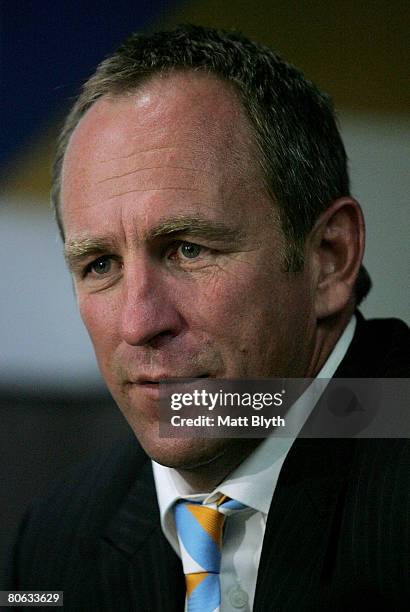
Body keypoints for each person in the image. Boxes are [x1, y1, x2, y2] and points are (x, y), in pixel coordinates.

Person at [4, 25, 409, 611]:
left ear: (329, 259)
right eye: (100, 265)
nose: (140, 323)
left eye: (188, 249)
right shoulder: (54, 539)